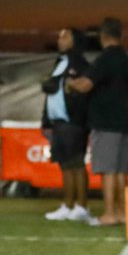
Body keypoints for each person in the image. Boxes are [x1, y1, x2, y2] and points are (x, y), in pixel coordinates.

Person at [67, 17, 128, 227]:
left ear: (103, 36)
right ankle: (123, 213)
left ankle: (109, 214)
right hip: (125, 122)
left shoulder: (104, 59)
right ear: (120, 35)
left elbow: (85, 85)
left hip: (106, 122)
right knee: (121, 171)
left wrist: (71, 83)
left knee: (108, 170)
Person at [42, 28, 91, 222]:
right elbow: (51, 93)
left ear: (75, 41)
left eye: (65, 36)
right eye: (59, 36)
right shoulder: (59, 62)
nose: (60, 39)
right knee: (65, 164)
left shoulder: (81, 64)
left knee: (76, 164)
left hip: (73, 122)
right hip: (58, 122)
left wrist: (80, 118)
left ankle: (82, 206)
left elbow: (85, 92)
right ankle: (68, 205)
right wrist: (46, 120)